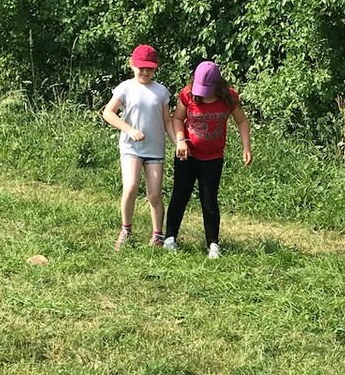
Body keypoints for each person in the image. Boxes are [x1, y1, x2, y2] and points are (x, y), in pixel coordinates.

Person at [164, 61, 252, 258]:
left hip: (213, 158)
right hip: (187, 155)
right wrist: (180, 140)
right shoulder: (188, 94)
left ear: (217, 84)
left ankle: (213, 244)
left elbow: (242, 121)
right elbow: (177, 119)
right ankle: (170, 238)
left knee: (209, 199)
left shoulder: (229, 97)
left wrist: (246, 146)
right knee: (180, 195)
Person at [103, 44, 176, 250]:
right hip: (131, 148)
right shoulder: (125, 87)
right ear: (131, 65)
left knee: (154, 194)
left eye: (149, 68)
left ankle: (157, 236)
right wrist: (129, 130)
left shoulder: (161, 91)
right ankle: (126, 230)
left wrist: (178, 142)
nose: (145, 72)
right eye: (141, 67)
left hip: (155, 149)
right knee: (131, 187)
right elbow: (108, 113)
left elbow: (168, 121)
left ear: (156, 68)